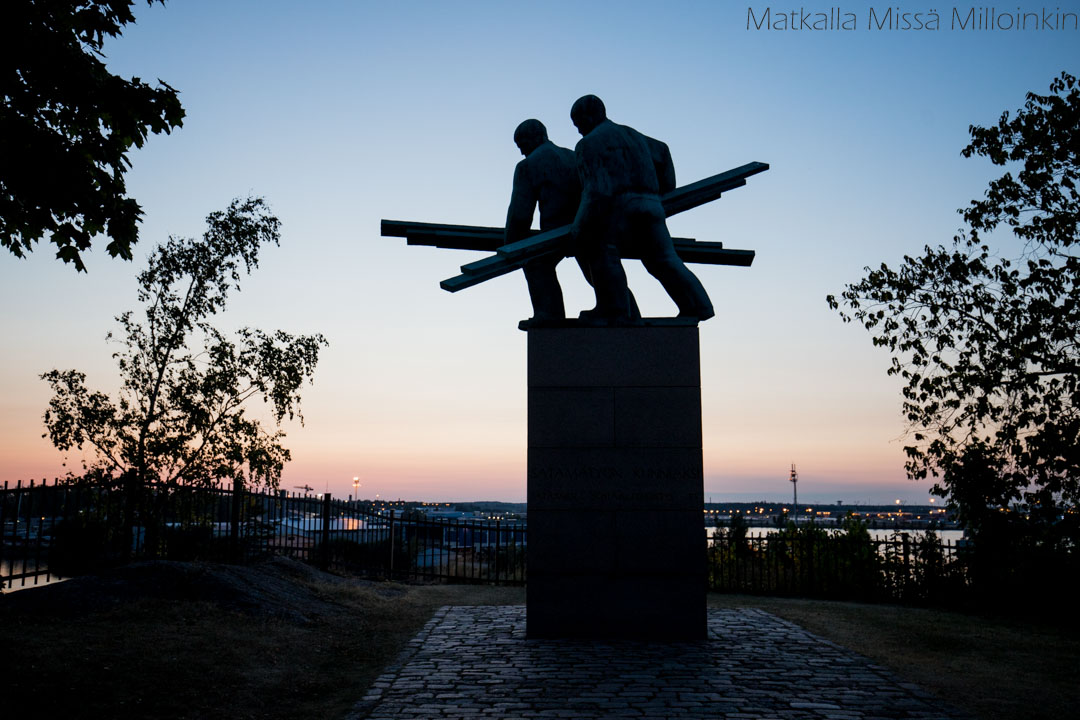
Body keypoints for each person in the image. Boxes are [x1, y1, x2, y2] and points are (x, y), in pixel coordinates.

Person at [569, 95, 714, 324]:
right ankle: (698, 304)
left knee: (601, 251)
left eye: (578, 124)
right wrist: (664, 190)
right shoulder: (634, 135)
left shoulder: (588, 144)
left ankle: (615, 310)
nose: (579, 131)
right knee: (664, 259)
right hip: (651, 205)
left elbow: (596, 190)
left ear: (590, 115)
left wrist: (579, 227)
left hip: (617, 206)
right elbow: (663, 152)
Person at [504, 119, 581, 326]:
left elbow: (520, 213)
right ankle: (627, 311)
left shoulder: (528, 165)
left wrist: (510, 245)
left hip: (556, 231)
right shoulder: (574, 157)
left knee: (536, 263)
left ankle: (550, 315)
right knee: (599, 271)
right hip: (586, 224)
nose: (521, 152)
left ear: (536, 138)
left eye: (522, 146)